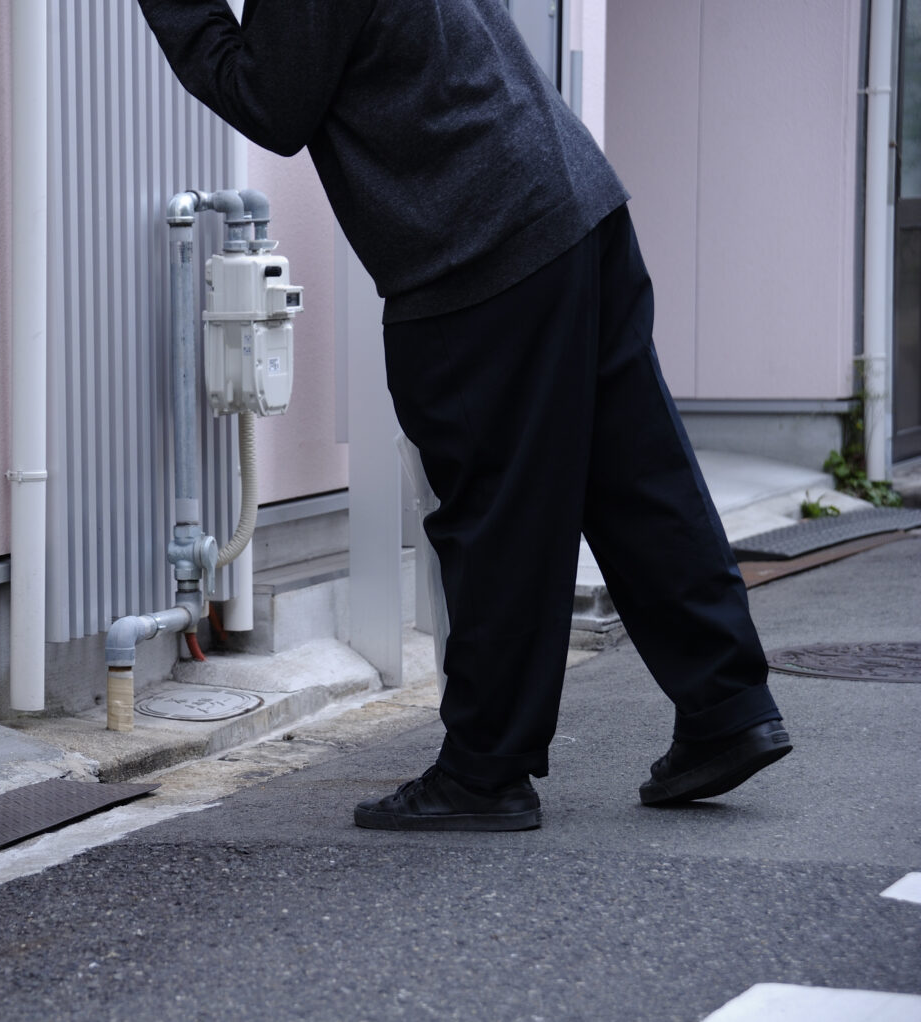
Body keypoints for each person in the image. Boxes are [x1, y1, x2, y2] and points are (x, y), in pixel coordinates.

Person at [137, 0, 791, 831]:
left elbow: (274, 104)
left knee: (497, 514)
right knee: (635, 474)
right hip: (572, 204)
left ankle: (486, 770)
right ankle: (727, 704)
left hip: (482, 244)